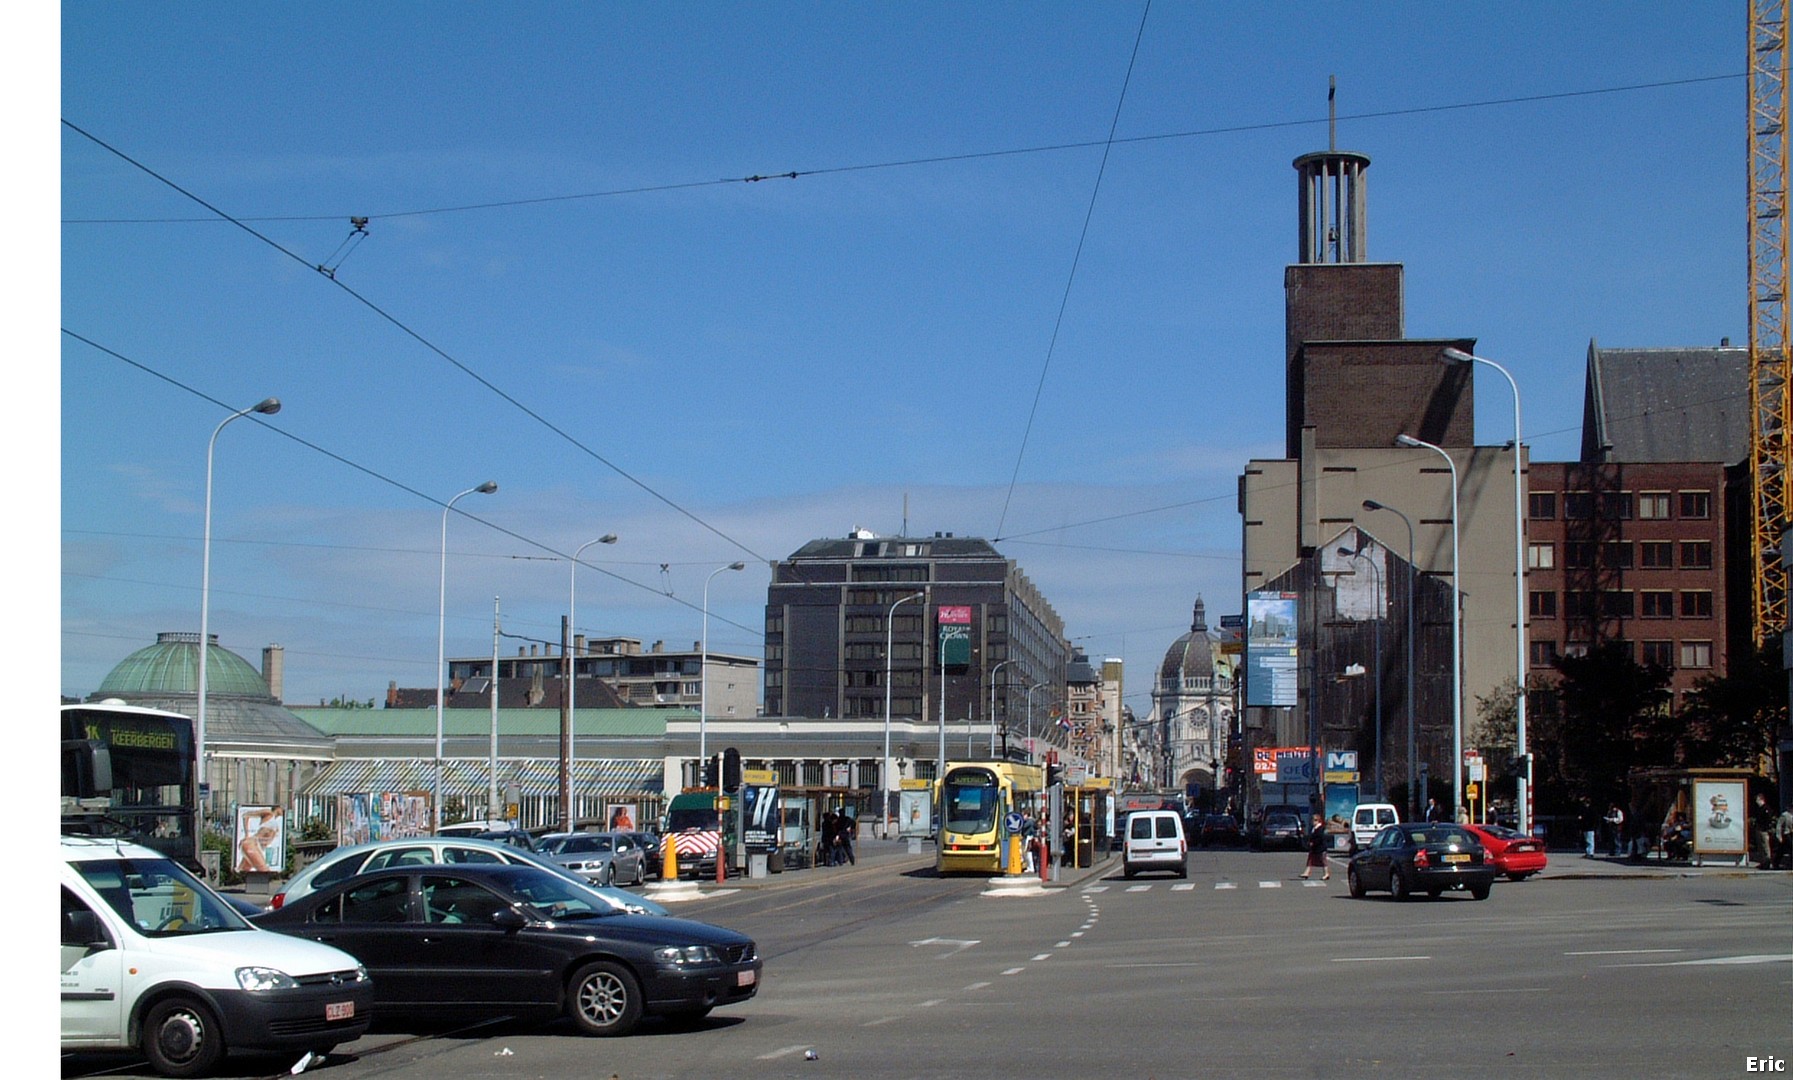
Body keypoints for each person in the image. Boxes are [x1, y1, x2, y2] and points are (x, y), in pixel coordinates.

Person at [1299, 813, 1330, 881]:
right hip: (1315, 848)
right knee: (1310, 860)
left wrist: (1313, 842)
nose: (1313, 822)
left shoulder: (1320, 828)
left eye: (1314, 820)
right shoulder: (1314, 828)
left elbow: (1320, 838)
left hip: (1320, 848)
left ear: (1318, 821)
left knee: (1323, 861)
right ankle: (1306, 873)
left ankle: (1326, 874)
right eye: (1312, 820)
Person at [1752, 792, 1777, 869]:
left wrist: (1766, 828)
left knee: (1765, 847)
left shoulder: (1766, 809)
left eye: (1757, 799)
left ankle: (1767, 862)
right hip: (1759, 829)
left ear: (1761, 799)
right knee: (1760, 847)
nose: (1756, 801)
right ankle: (1762, 862)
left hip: (1764, 830)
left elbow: (1768, 819)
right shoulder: (1759, 809)